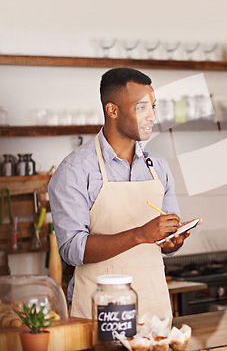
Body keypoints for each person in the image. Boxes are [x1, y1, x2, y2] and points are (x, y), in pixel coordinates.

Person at [49, 67, 198, 320]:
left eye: (153, 107)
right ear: (113, 110)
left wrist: (173, 240)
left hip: (154, 310)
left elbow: (166, 240)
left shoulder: (158, 166)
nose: (151, 116)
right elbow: (72, 249)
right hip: (100, 312)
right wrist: (141, 234)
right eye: (141, 108)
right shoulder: (74, 170)